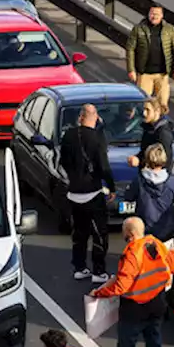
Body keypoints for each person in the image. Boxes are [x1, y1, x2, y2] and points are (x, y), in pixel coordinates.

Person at [91, 217, 174, 347]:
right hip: (157, 304)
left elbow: (121, 286)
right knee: (154, 346)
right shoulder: (155, 243)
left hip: (134, 310)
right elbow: (173, 265)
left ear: (129, 234)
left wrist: (100, 293)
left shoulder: (132, 253)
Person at [60, 104, 115, 283]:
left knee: (79, 233)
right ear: (96, 117)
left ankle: (79, 267)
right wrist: (111, 187)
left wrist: (73, 177)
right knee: (99, 233)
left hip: (73, 193)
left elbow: (63, 161)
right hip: (93, 192)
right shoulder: (98, 138)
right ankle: (99, 272)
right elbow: (104, 167)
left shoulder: (68, 135)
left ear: (80, 117)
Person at [125, 4, 174, 115]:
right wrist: (131, 70)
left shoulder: (169, 30)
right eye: (152, 13)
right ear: (148, 14)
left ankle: (160, 125)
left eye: (157, 14)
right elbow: (130, 49)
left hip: (162, 74)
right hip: (144, 73)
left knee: (163, 104)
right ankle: (146, 125)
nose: (154, 16)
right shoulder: (138, 29)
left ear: (162, 16)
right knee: (144, 104)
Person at [122, 143, 174, 242]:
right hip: (167, 231)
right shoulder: (172, 181)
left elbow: (128, 197)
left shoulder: (139, 181)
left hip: (144, 231)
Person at [128, 98, 174, 170]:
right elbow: (145, 151)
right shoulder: (148, 128)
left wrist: (140, 161)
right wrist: (137, 158)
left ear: (157, 111)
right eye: (144, 109)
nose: (144, 113)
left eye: (148, 110)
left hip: (155, 177)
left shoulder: (163, 133)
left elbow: (164, 161)